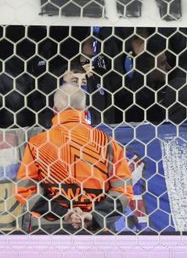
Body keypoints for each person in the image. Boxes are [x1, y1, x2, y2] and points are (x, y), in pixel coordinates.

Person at [15, 84, 135, 231]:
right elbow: (123, 190)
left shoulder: (37, 143)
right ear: (85, 111)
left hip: (49, 230)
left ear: (54, 110)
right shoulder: (108, 143)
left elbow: (25, 190)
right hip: (96, 229)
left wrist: (64, 213)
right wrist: (93, 215)